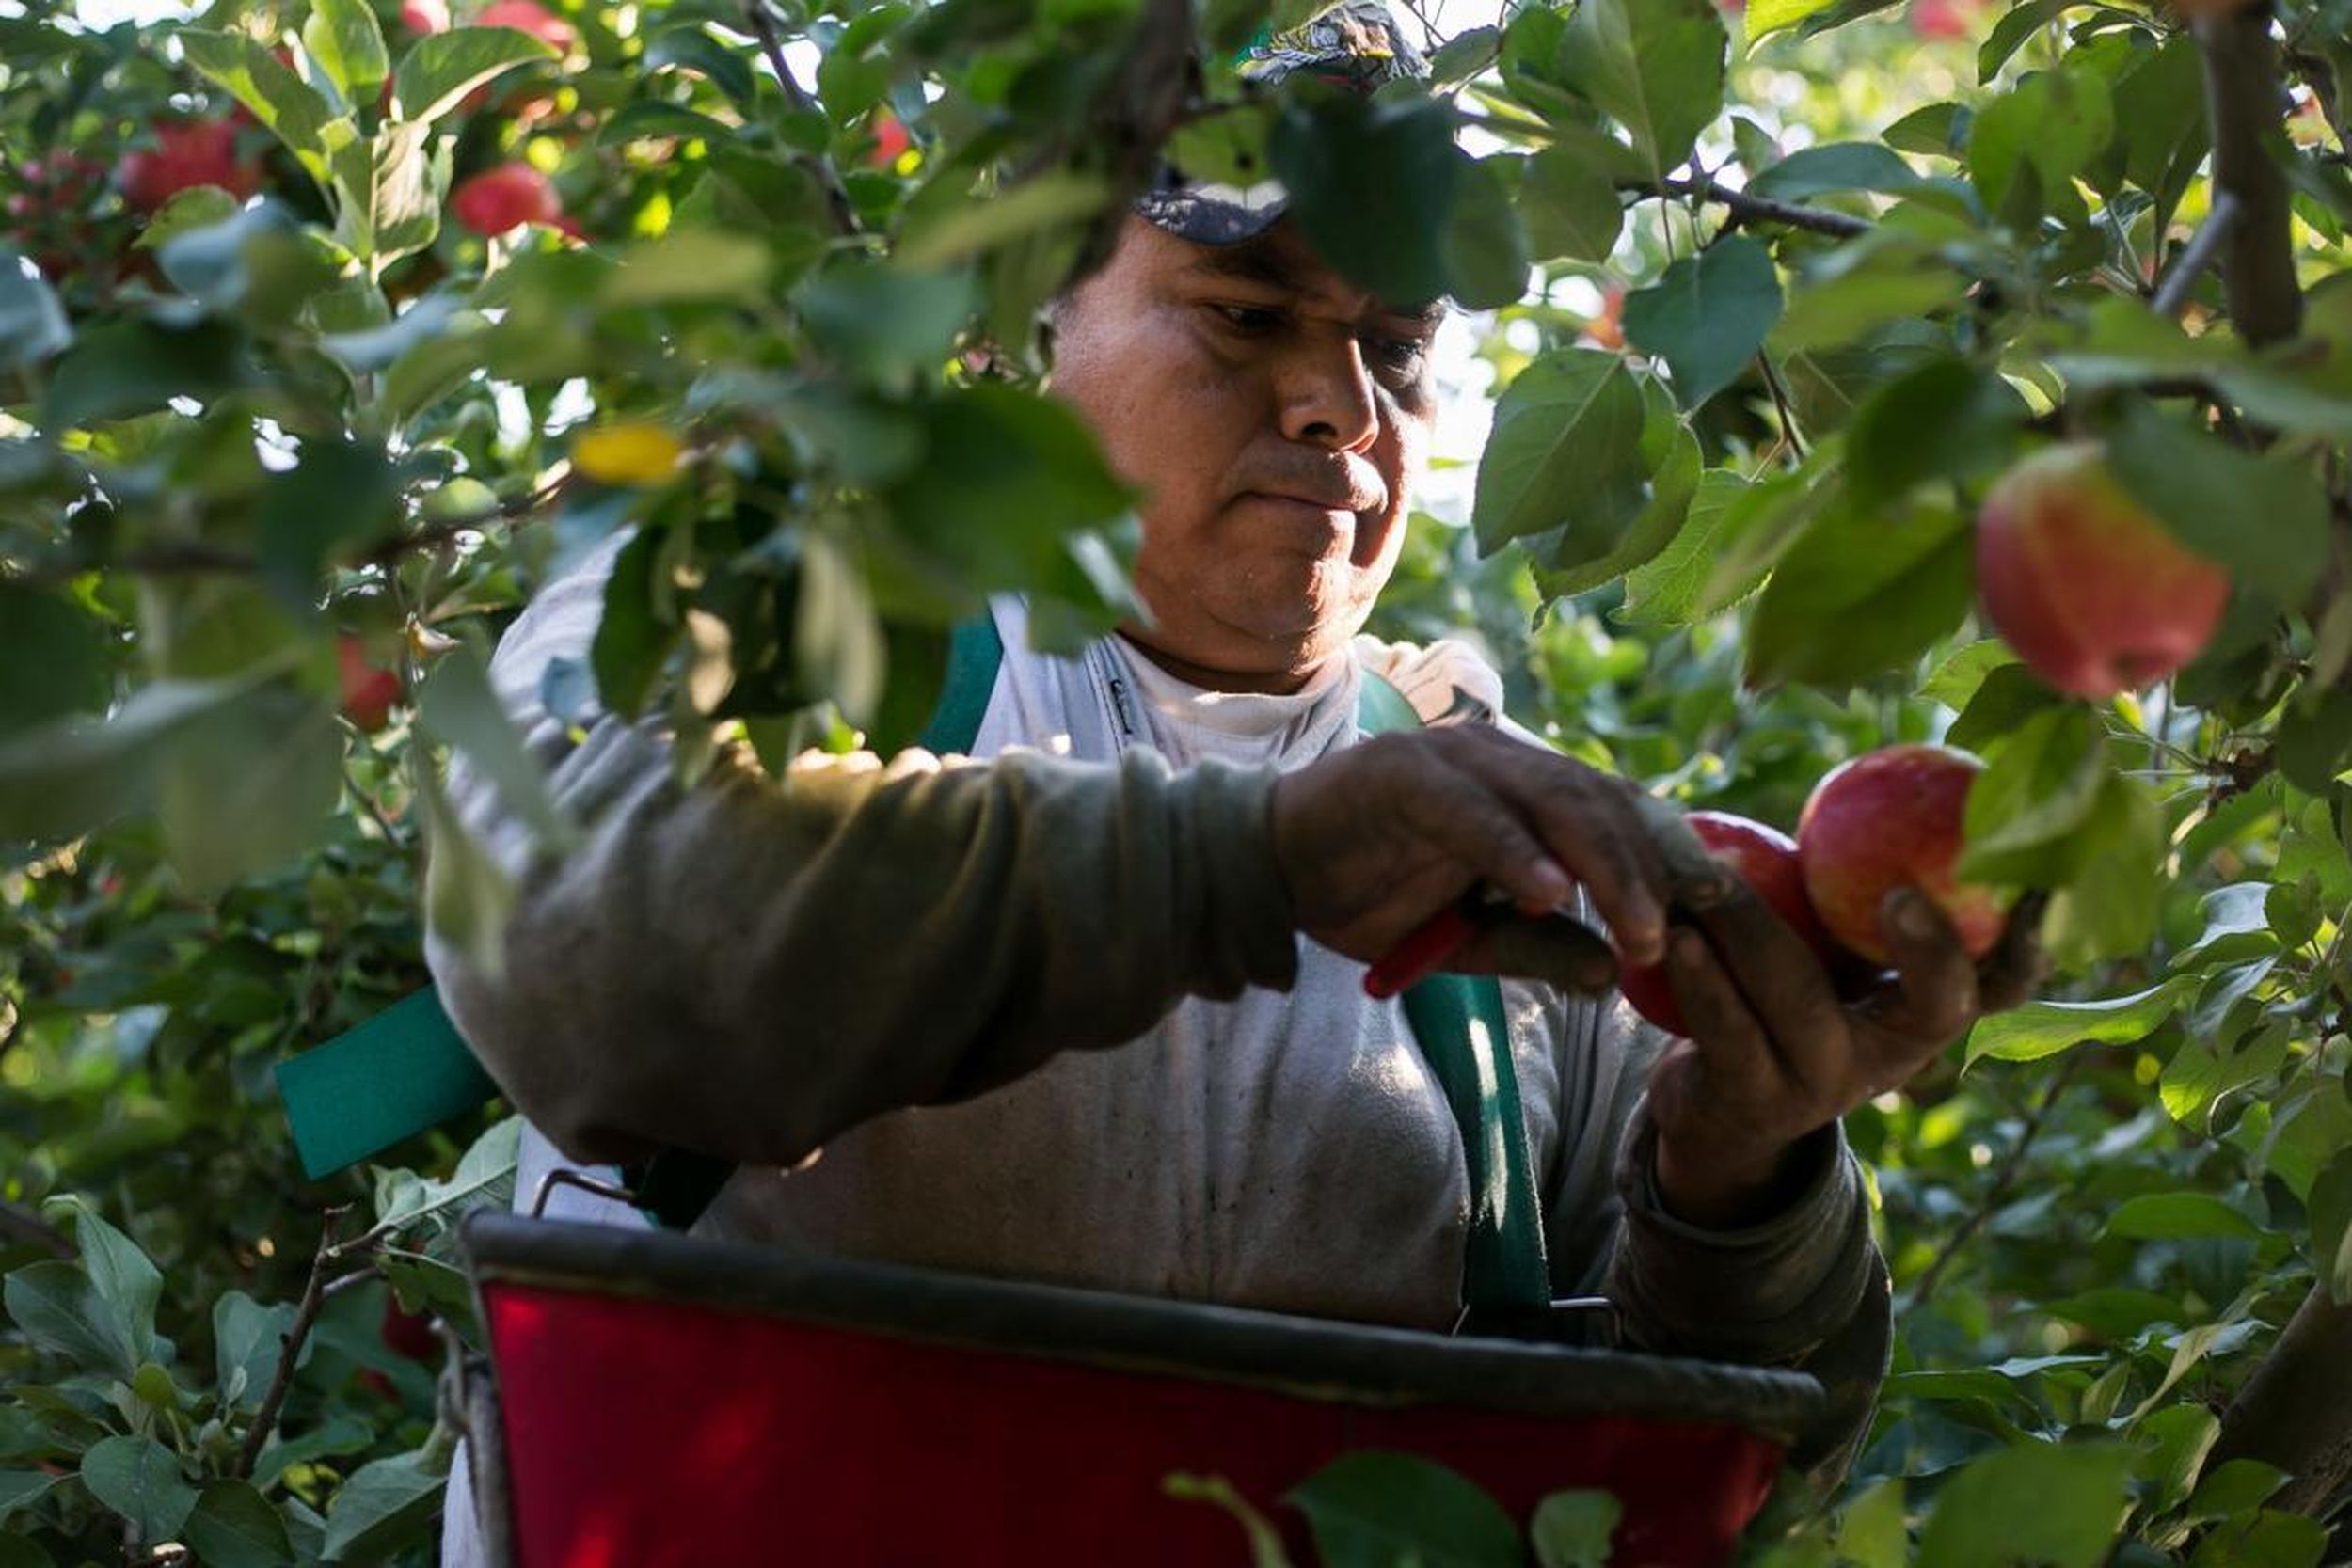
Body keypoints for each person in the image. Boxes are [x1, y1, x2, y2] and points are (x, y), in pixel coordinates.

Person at [432, 8, 2041, 1559]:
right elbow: (570, 938)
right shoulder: (775, 601)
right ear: (1020, 320)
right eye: (1247, 313)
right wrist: (1251, 861)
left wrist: (1741, 1178)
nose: (1340, 403)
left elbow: (1733, 1468)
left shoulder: (1533, 869)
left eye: (1397, 346)